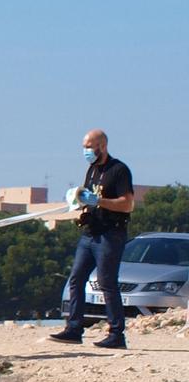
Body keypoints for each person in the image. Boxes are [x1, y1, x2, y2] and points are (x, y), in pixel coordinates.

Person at [48, 129, 136, 349]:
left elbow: (128, 203)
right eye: (84, 147)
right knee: (76, 278)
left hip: (110, 233)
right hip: (90, 233)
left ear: (102, 146)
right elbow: (88, 197)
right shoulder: (92, 169)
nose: (86, 151)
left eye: (89, 146)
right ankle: (74, 329)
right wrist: (79, 200)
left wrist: (100, 201)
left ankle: (116, 334)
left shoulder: (119, 170)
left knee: (107, 282)